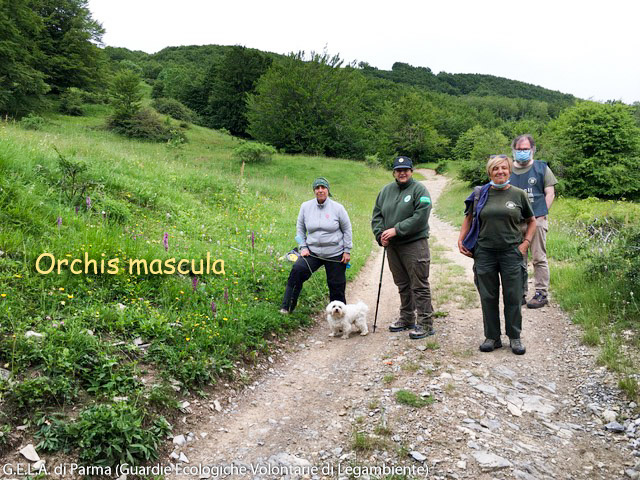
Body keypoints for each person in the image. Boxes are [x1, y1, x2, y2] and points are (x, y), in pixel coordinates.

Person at [458, 155, 536, 355]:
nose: (500, 172)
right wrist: (461, 239)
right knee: (488, 296)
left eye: (503, 168)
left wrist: (525, 244)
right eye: (495, 169)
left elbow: (532, 221)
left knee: (513, 296)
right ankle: (492, 337)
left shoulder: (518, 194)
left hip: (512, 252)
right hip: (485, 252)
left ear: (509, 170)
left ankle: (515, 337)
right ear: (489, 172)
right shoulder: (480, 194)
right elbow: (468, 218)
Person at [371, 156, 434, 340]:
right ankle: (407, 318)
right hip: (393, 247)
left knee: (419, 284)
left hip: (414, 244)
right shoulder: (385, 191)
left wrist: (397, 230)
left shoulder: (419, 189)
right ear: (394, 172)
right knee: (402, 284)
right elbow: (377, 216)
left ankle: (426, 323)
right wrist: (380, 234)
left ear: (411, 171)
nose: (402, 173)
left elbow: (421, 216)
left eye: (406, 169)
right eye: (399, 170)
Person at [280, 177, 352, 313]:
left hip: (335, 253)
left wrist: (347, 250)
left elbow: (347, 229)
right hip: (312, 252)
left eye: (323, 187)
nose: (320, 190)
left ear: (328, 190)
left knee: (336, 285)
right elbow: (300, 229)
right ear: (314, 190)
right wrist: (303, 247)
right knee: (297, 270)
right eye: (317, 188)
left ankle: (342, 319)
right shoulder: (305, 206)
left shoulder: (338, 208)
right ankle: (287, 307)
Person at [509, 134, 558, 309]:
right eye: (519, 149)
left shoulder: (541, 168)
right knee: (517, 258)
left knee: (538, 258)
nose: (522, 152)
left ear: (532, 149)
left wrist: (542, 215)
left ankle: (541, 293)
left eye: (526, 149)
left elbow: (550, 192)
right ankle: (519, 293)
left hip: (536, 220)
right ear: (513, 150)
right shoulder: (507, 168)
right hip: (514, 223)